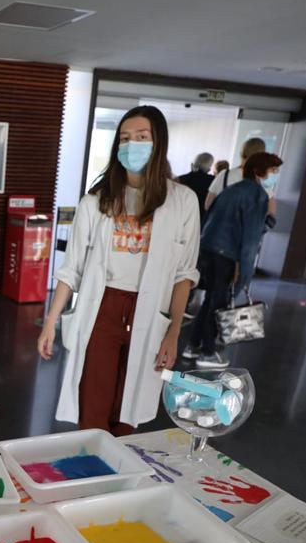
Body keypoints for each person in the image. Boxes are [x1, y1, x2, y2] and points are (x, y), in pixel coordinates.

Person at [38, 105, 201, 435]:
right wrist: (50, 322)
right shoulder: (96, 202)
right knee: (94, 398)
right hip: (103, 306)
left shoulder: (182, 201)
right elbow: (72, 270)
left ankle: (120, 476)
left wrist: (173, 333)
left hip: (150, 307)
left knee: (130, 403)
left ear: (159, 143)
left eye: (142, 137)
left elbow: (184, 274)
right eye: (125, 138)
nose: (132, 145)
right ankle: (89, 473)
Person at [184, 152, 282, 367]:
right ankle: (208, 353)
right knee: (218, 302)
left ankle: (193, 345)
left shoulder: (232, 191)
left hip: (210, 248)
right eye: (273, 171)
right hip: (228, 254)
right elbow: (249, 237)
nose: (274, 176)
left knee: (211, 298)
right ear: (259, 172)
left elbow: (211, 214)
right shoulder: (257, 195)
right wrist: (244, 274)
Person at [205, 138, 275, 220]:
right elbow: (271, 212)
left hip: (222, 227)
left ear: (242, 153)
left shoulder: (224, 174)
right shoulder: (261, 181)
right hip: (248, 230)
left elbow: (208, 205)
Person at [177, 151, 214, 224]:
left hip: (181, 218)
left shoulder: (180, 179)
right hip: (201, 220)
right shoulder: (213, 180)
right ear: (209, 165)